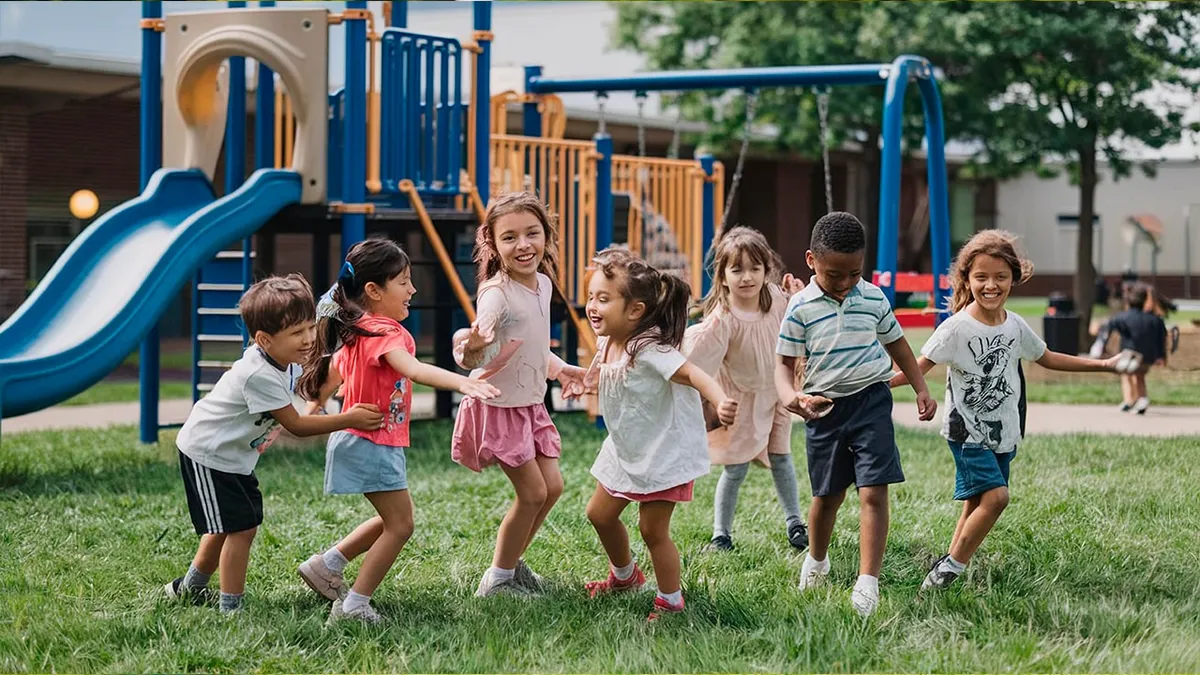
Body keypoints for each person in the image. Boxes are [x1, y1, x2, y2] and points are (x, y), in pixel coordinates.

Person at [890, 230, 1119, 590]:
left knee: (976, 503)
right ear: (967, 278)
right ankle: (951, 567)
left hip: (1005, 431)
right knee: (997, 498)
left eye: (1000, 277)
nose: (991, 285)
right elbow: (918, 367)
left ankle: (943, 573)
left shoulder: (1015, 326)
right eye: (981, 277)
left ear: (1014, 277)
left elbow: (1048, 358)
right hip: (967, 433)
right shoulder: (956, 329)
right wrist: (876, 382)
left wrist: (1104, 366)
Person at [296, 238, 499, 623]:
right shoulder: (385, 333)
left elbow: (334, 376)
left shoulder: (358, 329)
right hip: (372, 442)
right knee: (402, 525)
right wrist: (463, 383)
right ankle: (355, 604)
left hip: (359, 441)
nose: (413, 290)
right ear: (374, 290)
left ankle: (328, 565)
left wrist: (310, 411)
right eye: (404, 282)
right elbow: (414, 369)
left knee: (392, 519)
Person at [165, 274, 384, 613]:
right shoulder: (259, 373)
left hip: (233, 458)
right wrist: (349, 417)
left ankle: (189, 588)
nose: (308, 338)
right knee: (241, 529)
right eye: (297, 333)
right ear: (264, 340)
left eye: (310, 327)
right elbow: (295, 426)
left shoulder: (283, 360)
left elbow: (312, 379)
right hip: (207, 453)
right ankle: (230, 609)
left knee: (230, 524)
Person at [775, 211, 936, 616]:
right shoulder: (799, 307)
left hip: (871, 402)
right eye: (835, 275)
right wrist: (791, 396)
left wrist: (920, 386)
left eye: (855, 274)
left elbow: (897, 344)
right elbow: (782, 364)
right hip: (824, 408)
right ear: (811, 261)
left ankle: (868, 582)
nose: (846, 284)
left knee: (873, 491)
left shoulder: (873, 297)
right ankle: (816, 559)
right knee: (827, 496)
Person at [578, 248, 737, 621]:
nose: (592, 306)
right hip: (627, 448)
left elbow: (693, 374)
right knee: (599, 514)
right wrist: (578, 378)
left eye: (604, 298)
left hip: (663, 452)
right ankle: (625, 577)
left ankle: (670, 600)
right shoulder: (609, 342)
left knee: (652, 529)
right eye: (591, 297)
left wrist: (720, 398)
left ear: (635, 310)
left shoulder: (649, 349)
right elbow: (609, 375)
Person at [451, 192, 588, 597]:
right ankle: (495, 581)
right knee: (532, 494)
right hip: (498, 406)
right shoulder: (496, 294)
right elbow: (471, 350)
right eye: (510, 237)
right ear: (492, 243)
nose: (523, 245)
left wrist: (561, 368)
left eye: (532, 233)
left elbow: (528, 343)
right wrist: (472, 345)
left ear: (547, 235)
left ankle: (510, 565)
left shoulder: (543, 284)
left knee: (553, 488)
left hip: (529, 404)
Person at [682, 226, 809, 553]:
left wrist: (797, 297)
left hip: (778, 393)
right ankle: (720, 535)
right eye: (736, 269)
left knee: (782, 458)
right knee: (735, 467)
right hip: (740, 401)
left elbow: (798, 324)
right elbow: (696, 362)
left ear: (767, 270)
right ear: (722, 276)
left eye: (755, 268)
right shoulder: (723, 319)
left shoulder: (778, 300)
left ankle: (795, 522)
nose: (747, 277)